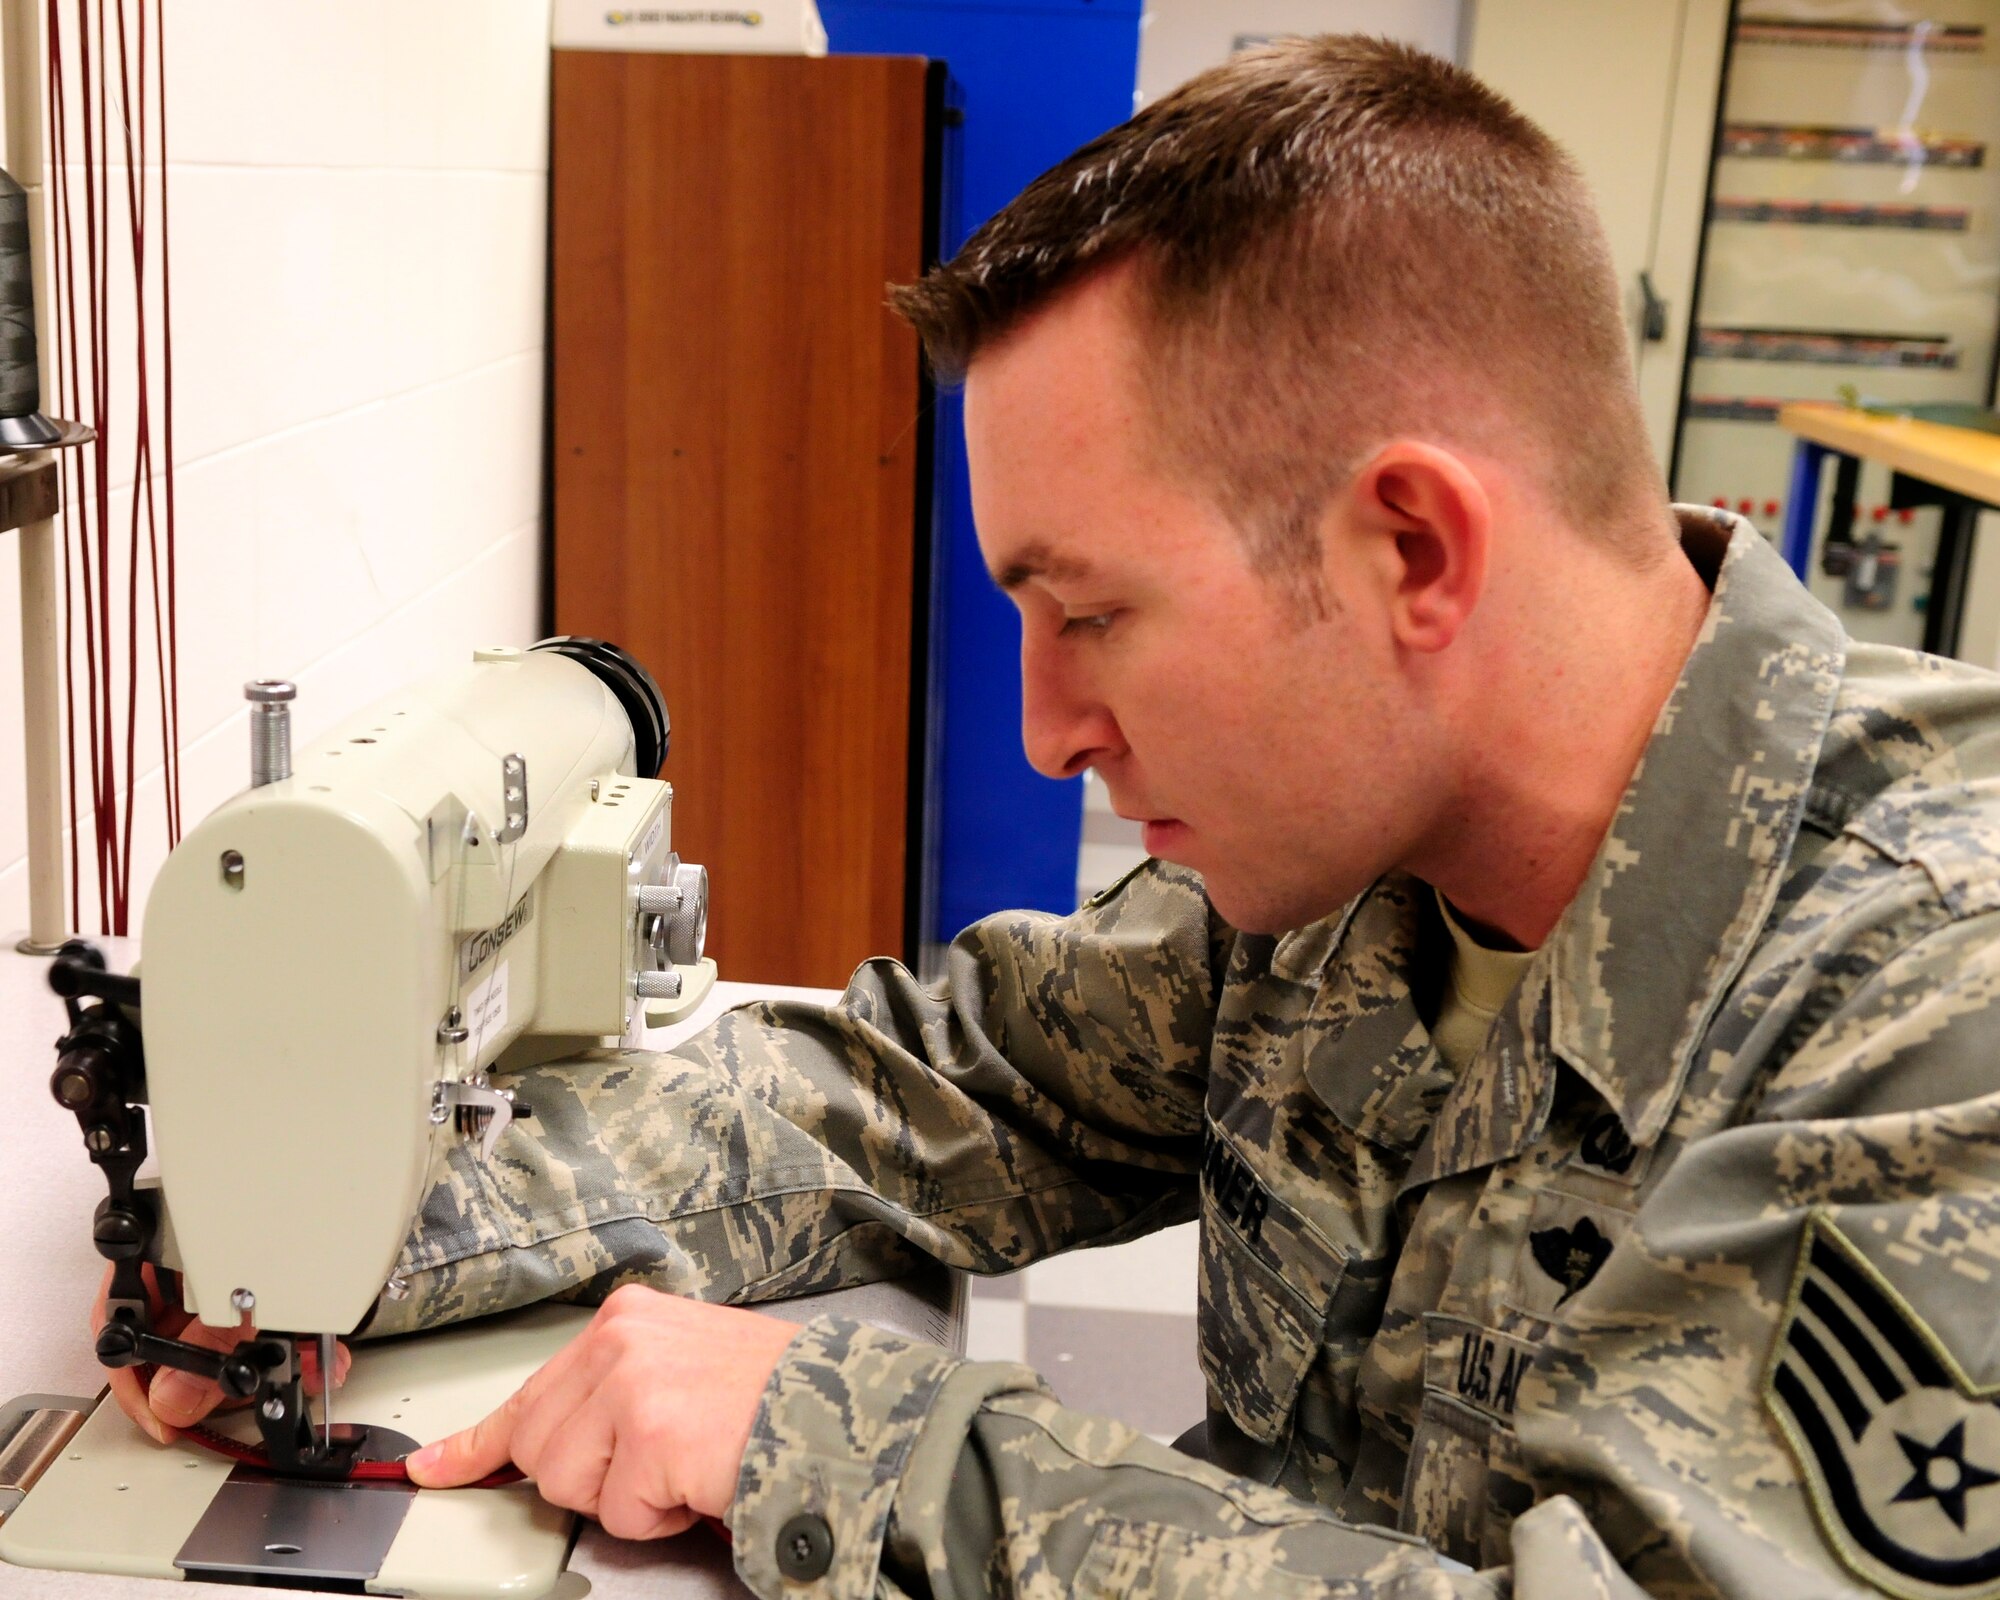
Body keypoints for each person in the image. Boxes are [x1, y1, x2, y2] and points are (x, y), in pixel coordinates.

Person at [119, 35, 2000, 1600]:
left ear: (1413, 549)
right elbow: (942, 1085)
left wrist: (853, 1441)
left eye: (1090, 613)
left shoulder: (1938, 1017)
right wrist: (349, 1228)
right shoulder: (1341, 892)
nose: (1039, 735)